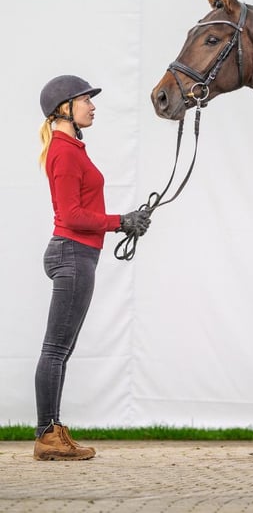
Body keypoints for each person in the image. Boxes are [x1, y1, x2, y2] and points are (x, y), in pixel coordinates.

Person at [34, 75, 151, 461]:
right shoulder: (65, 152)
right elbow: (71, 214)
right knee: (55, 350)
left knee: (60, 351)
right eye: (86, 99)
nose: (92, 105)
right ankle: (46, 435)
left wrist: (125, 221)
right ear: (64, 108)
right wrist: (121, 221)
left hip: (78, 254)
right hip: (72, 253)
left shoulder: (71, 148)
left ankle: (51, 429)